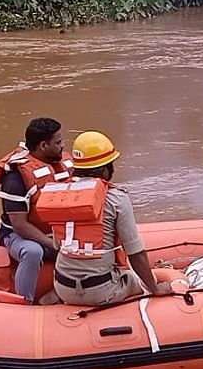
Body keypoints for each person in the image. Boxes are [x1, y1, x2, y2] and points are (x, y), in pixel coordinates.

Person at [40, 131, 170, 307]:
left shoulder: (60, 194)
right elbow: (135, 252)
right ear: (105, 170)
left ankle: (53, 298)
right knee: (148, 279)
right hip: (101, 290)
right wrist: (154, 288)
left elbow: (58, 244)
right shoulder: (117, 198)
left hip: (63, 287)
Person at [0, 117, 75, 304]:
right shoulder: (16, 179)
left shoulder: (61, 165)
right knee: (33, 252)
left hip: (55, 231)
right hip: (18, 235)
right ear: (43, 145)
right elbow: (20, 225)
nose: (63, 146)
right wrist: (54, 246)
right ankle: (24, 302)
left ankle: (54, 296)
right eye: (58, 142)